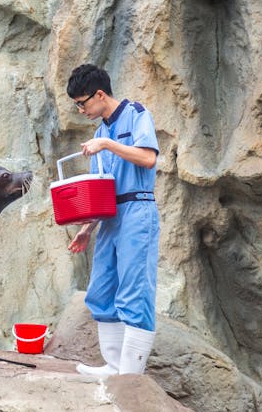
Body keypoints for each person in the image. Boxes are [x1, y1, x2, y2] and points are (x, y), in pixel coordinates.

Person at [66, 64, 160, 376]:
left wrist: (107, 145)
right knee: (102, 289)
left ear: (100, 94)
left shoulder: (136, 114)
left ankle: (131, 374)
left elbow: (148, 158)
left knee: (134, 290)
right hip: (108, 217)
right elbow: (100, 188)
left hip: (137, 210)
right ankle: (114, 365)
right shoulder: (99, 131)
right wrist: (86, 228)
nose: (81, 110)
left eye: (83, 103)